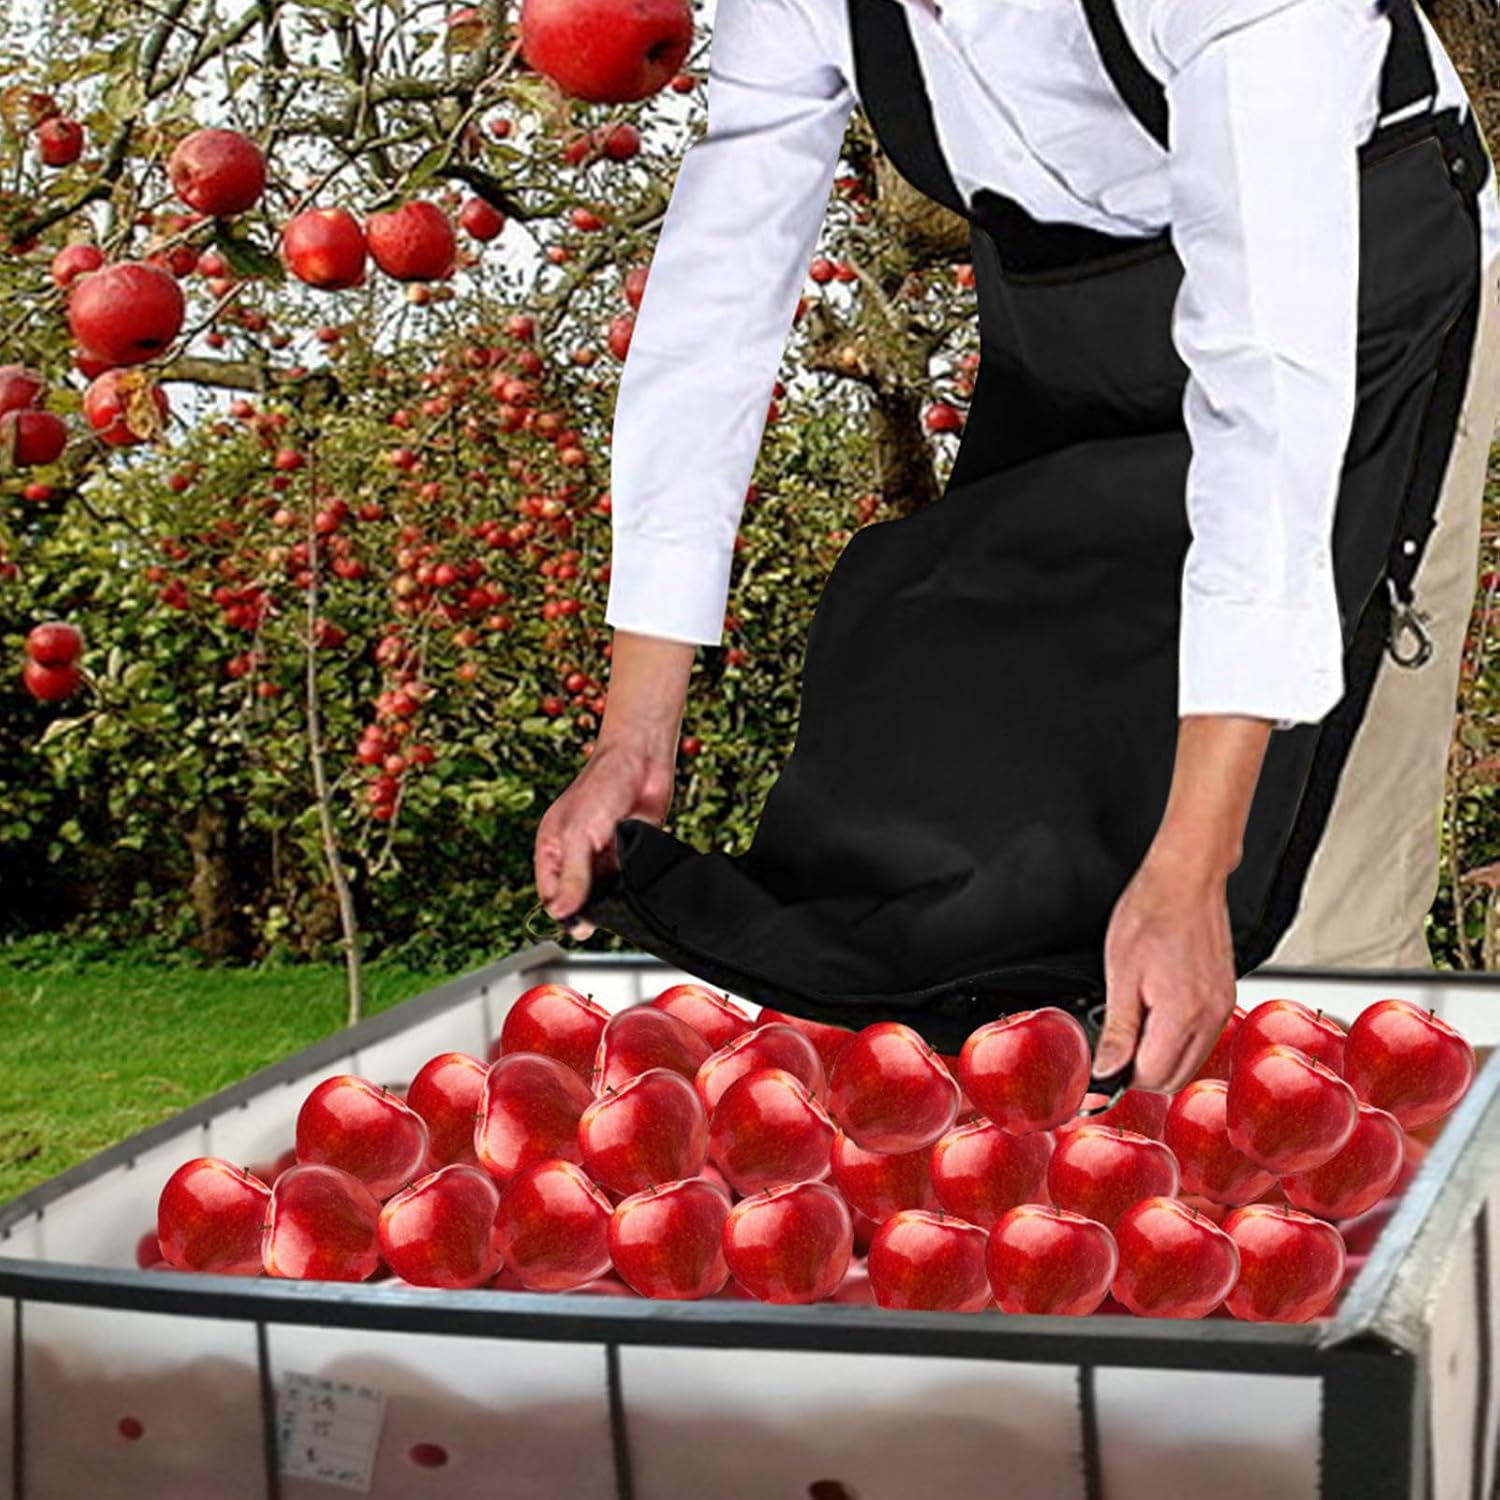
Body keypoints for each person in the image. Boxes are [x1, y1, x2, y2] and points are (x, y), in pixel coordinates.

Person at [534, 0, 1500, 1093]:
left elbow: (1268, 398)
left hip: (1357, 309)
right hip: (1075, 326)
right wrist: (634, 736)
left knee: (1302, 890)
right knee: (993, 849)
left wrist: (1196, 860)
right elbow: (717, 302)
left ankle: (1366, 1201)